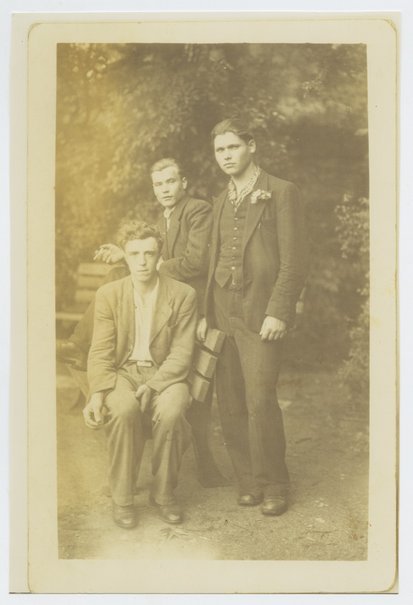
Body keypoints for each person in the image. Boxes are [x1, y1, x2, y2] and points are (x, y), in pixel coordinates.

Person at [58, 158, 227, 487]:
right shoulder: (163, 217)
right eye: (158, 184)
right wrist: (130, 256)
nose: (165, 189)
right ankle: (82, 347)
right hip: (161, 296)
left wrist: (132, 259)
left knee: (118, 274)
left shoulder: (196, 210)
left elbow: (195, 262)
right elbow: (148, 254)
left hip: (185, 301)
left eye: (170, 182)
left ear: (184, 183)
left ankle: (79, 346)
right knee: (114, 278)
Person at [197, 118, 308, 516]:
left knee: (260, 398)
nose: (226, 156)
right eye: (220, 150)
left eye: (233, 147)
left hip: (261, 313)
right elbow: (211, 262)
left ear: (252, 146)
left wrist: (278, 311)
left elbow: (294, 263)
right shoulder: (220, 200)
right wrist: (206, 313)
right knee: (230, 401)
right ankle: (248, 480)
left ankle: (276, 482)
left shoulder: (281, 192)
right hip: (223, 312)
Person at [83, 220, 197, 528]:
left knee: (172, 410)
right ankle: (122, 499)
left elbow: (182, 354)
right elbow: (101, 351)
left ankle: (163, 495)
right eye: (135, 254)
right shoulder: (109, 294)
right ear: (126, 256)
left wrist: (156, 385)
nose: (143, 262)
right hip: (124, 372)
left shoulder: (183, 294)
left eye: (149, 253)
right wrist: (97, 393)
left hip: (166, 374)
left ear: (160, 255)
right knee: (122, 408)